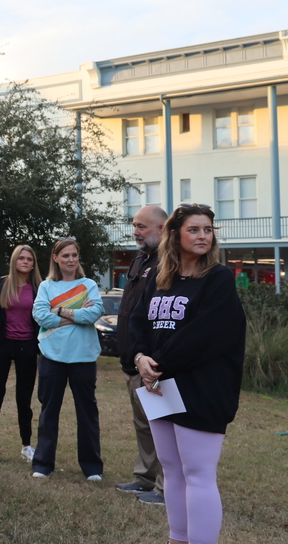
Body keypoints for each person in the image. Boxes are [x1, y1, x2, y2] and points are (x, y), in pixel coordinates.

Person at [130, 203, 245, 544]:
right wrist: (139, 357)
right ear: (174, 234)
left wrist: (156, 365)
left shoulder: (218, 279)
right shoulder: (160, 278)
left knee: (198, 474)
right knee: (172, 471)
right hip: (160, 386)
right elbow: (137, 321)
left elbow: (205, 335)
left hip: (202, 389)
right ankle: (177, 538)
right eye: (193, 229)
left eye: (207, 230)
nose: (202, 236)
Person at [30, 237, 104, 480]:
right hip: (52, 357)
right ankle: (43, 464)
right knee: (48, 412)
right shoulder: (46, 286)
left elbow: (94, 313)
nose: (71, 260)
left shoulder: (89, 284)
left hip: (84, 358)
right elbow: (41, 316)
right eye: (65, 255)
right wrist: (78, 313)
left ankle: (92, 467)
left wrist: (60, 310)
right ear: (56, 258)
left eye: (74, 255)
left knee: (87, 414)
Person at [114, 205, 167, 505]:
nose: (135, 232)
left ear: (161, 229)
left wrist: (150, 357)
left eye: (141, 227)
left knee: (162, 426)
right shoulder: (139, 259)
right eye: (134, 226)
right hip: (131, 360)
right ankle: (145, 478)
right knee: (143, 425)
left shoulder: (169, 262)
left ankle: (164, 486)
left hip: (151, 363)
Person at [0, 244, 42, 463]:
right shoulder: (2, 284)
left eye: (29, 259)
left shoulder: (39, 288)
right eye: (21, 258)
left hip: (28, 346)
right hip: (3, 345)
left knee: (24, 399)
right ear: (14, 261)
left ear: (33, 264)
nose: (25, 262)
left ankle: (27, 446)